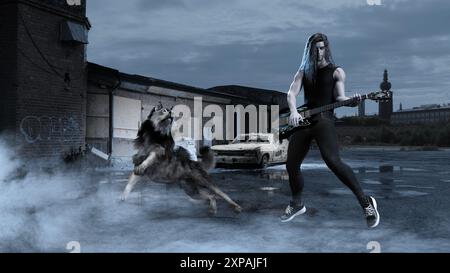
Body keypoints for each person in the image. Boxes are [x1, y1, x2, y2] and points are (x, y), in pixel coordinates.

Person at [280, 33, 380, 228]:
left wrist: (352, 102)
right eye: (315, 48)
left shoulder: (336, 71)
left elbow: (340, 98)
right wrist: (293, 111)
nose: (318, 52)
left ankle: (366, 202)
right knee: (291, 165)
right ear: (309, 50)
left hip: (324, 121)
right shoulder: (302, 72)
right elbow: (291, 93)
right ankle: (297, 204)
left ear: (326, 48)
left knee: (333, 161)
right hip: (303, 121)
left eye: (322, 47)